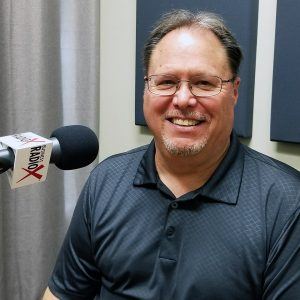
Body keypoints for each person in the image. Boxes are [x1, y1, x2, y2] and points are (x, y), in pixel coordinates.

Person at [43, 9, 300, 299]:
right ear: (146, 90)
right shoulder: (106, 180)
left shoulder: (286, 202)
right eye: (166, 82)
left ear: (235, 92)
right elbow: (63, 294)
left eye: (204, 83)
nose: (183, 99)